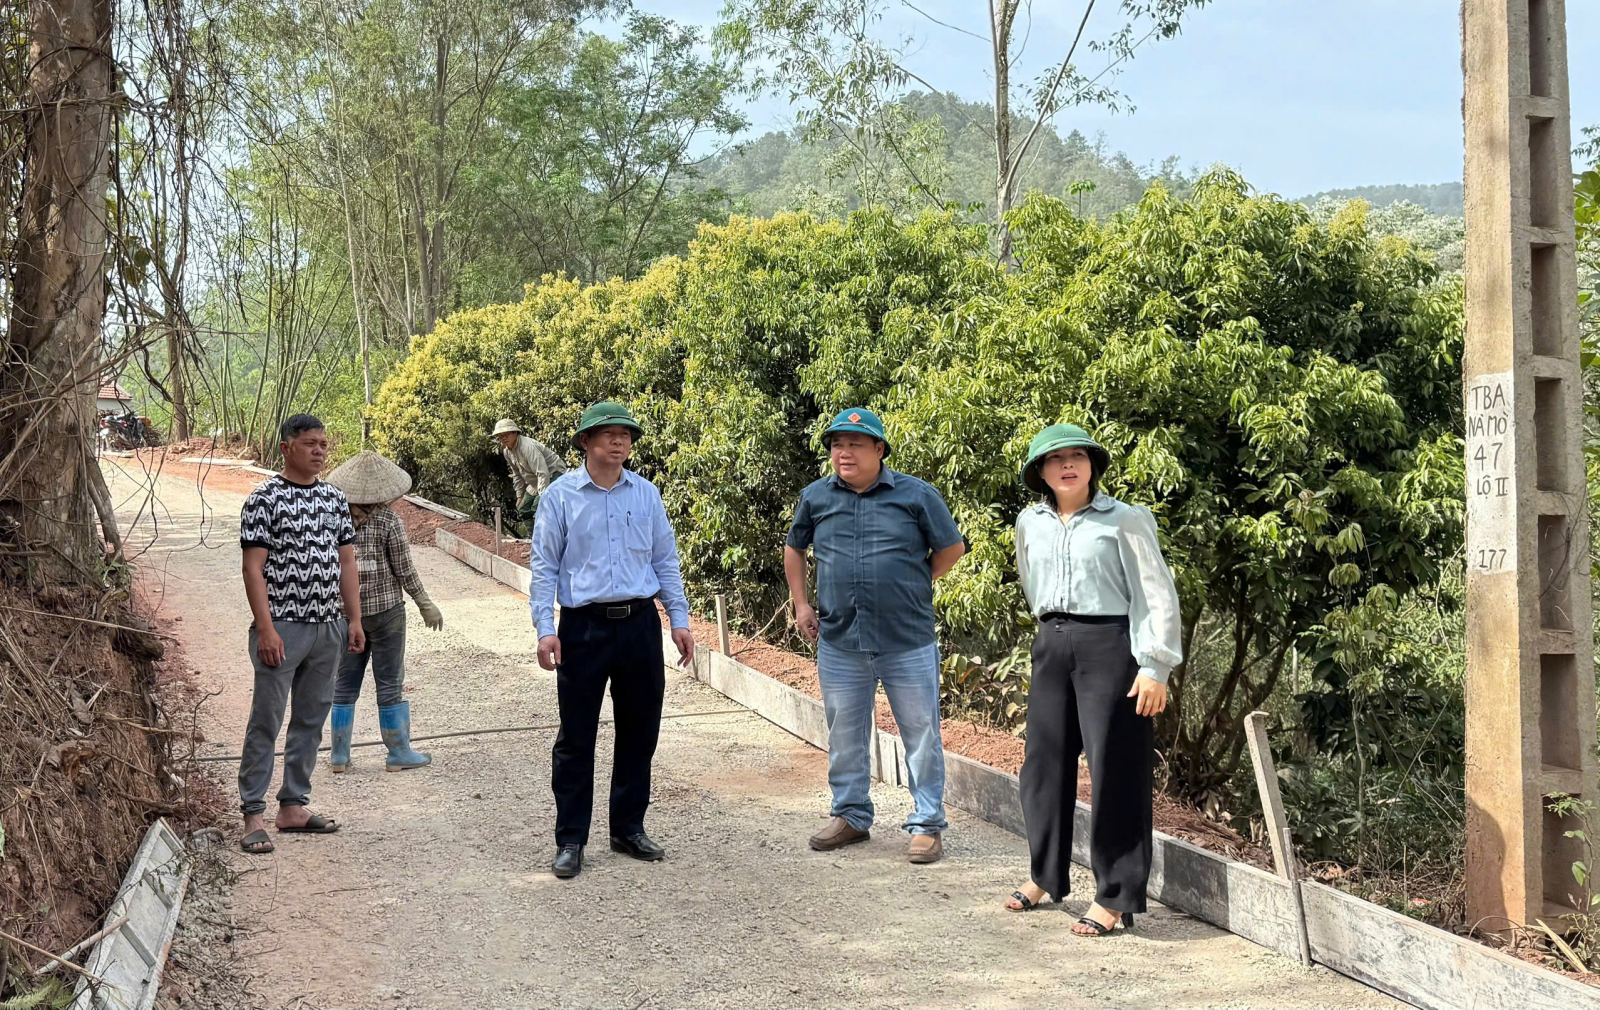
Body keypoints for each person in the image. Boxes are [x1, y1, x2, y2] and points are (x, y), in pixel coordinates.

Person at [1005, 423, 1183, 937]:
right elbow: (1030, 580)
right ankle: (1045, 874)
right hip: (1051, 641)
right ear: (1040, 472)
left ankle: (1115, 896)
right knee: (1043, 764)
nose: (1067, 465)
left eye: (1077, 456)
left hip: (1109, 645)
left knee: (1115, 769)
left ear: (1091, 466)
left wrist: (1155, 667)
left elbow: (1155, 592)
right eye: (1055, 458)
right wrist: (1053, 629)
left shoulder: (1125, 519)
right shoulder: (1029, 522)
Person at [784, 408, 966, 864]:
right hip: (840, 640)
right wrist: (801, 603)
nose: (843, 452)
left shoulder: (916, 494)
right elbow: (794, 547)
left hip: (907, 639)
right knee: (845, 734)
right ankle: (850, 816)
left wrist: (915, 581)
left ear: (879, 449)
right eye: (836, 445)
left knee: (920, 733)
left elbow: (952, 547)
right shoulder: (816, 497)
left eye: (855, 444)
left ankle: (926, 824)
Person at [529, 401, 695, 880]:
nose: (619, 441)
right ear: (586, 441)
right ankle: (570, 839)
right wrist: (545, 629)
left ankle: (627, 827)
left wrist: (678, 619)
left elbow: (665, 560)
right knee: (576, 735)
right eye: (608, 434)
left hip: (640, 624)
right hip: (583, 628)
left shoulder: (646, 494)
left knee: (640, 731)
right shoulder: (560, 497)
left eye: (625, 434)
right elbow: (544, 567)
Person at [237, 414, 365, 855]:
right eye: (310, 443)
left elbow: (346, 561)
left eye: (323, 444)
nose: (319, 451)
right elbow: (253, 568)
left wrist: (353, 619)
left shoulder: (333, 498)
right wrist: (266, 628)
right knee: (267, 719)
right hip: (283, 626)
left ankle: (293, 805)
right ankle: (253, 813)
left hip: (327, 626)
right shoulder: (264, 500)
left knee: (311, 718)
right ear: (286, 447)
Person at [324, 450, 446, 774]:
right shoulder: (389, 521)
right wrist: (424, 602)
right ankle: (398, 752)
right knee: (390, 682)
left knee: (344, 683)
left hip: (344, 616)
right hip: (387, 613)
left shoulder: (331, 523)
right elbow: (404, 569)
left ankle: (339, 755)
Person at [492, 418, 566, 530]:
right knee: (523, 509)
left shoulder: (528, 447)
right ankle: (533, 538)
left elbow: (543, 473)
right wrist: (520, 496)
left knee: (538, 508)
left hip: (554, 474)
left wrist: (543, 497)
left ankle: (547, 537)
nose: (503, 438)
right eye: (500, 436)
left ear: (515, 433)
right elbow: (517, 474)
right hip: (536, 480)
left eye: (506, 434)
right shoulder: (507, 452)